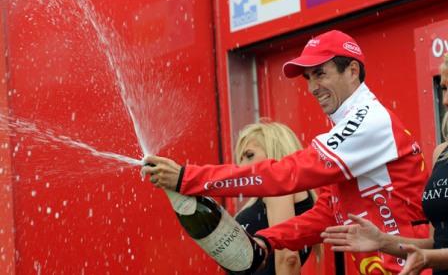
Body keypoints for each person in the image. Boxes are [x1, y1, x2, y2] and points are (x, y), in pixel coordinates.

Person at [141, 30, 429, 273]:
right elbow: (327, 215)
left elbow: (287, 174)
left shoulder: (369, 120)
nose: (313, 88)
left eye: (320, 74)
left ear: (352, 70)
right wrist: (268, 240)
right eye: (308, 79)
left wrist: (187, 177)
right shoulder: (348, 126)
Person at [321, 54, 448, 275]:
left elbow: (432, 254)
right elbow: (436, 245)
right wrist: (383, 241)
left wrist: (427, 258)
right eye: (444, 88)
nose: (445, 100)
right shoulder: (442, 153)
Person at [232, 121, 316, 275]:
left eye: (249, 155)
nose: (241, 166)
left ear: (275, 152)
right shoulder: (271, 193)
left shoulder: (279, 187)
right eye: (240, 159)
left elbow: (288, 258)